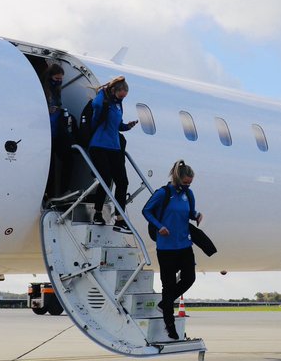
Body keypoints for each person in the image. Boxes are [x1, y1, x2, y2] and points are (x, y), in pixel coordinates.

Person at [142, 160, 202, 340]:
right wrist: (159, 226)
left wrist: (197, 215)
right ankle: (170, 327)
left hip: (184, 244)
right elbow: (146, 211)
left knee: (189, 278)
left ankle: (165, 303)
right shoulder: (163, 193)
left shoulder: (188, 194)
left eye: (190, 183)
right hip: (166, 247)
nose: (188, 186)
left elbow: (190, 213)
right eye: (185, 182)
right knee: (167, 286)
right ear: (177, 178)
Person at [87, 76, 137, 225]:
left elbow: (118, 125)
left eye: (124, 97)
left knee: (122, 181)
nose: (122, 98)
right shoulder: (103, 102)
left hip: (114, 147)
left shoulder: (118, 105)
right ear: (114, 91)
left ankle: (120, 217)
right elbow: (95, 104)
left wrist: (127, 126)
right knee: (106, 179)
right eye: (121, 95)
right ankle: (97, 213)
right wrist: (104, 90)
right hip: (100, 145)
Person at [43, 63, 73, 201]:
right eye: (56, 78)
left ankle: (63, 190)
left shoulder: (57, 92)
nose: (59, 81)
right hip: (47, 133)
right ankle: (49, 193)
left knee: (67, 159)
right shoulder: (44, 90)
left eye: (61, 79)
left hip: (57, 133)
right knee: (50, 167)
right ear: (50, 77)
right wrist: (46, 110)